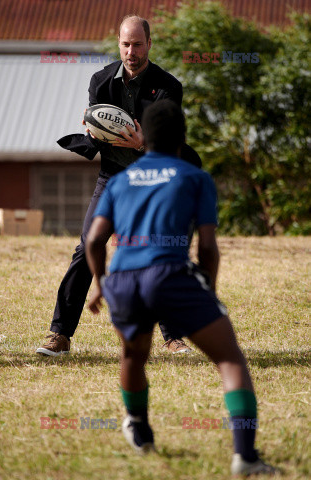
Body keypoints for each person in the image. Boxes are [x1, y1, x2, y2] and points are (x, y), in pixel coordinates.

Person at [85, 100, 276, 476]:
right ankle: (245, 457)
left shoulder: (120, 181)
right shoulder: (193, 177)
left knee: (133, 356)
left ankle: (137, 425)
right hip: (169, 274)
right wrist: (210, 290)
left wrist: (100, 284)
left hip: (123, 279)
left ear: (145, 137)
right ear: (182, 138)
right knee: (229, 358)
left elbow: (93, 241)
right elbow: (206, 245)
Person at [36, 15, 196, 356]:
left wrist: (143, 143)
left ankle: (172, 337)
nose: (131, 51)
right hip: (113, 178)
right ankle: (59, 335)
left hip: (153, 179)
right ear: (118, 43)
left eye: (138, 44)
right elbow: (98, 126)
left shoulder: (168, 88)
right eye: (125, 44)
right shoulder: (101, 80)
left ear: (149, 44)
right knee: (86, 247)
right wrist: (92, 131)